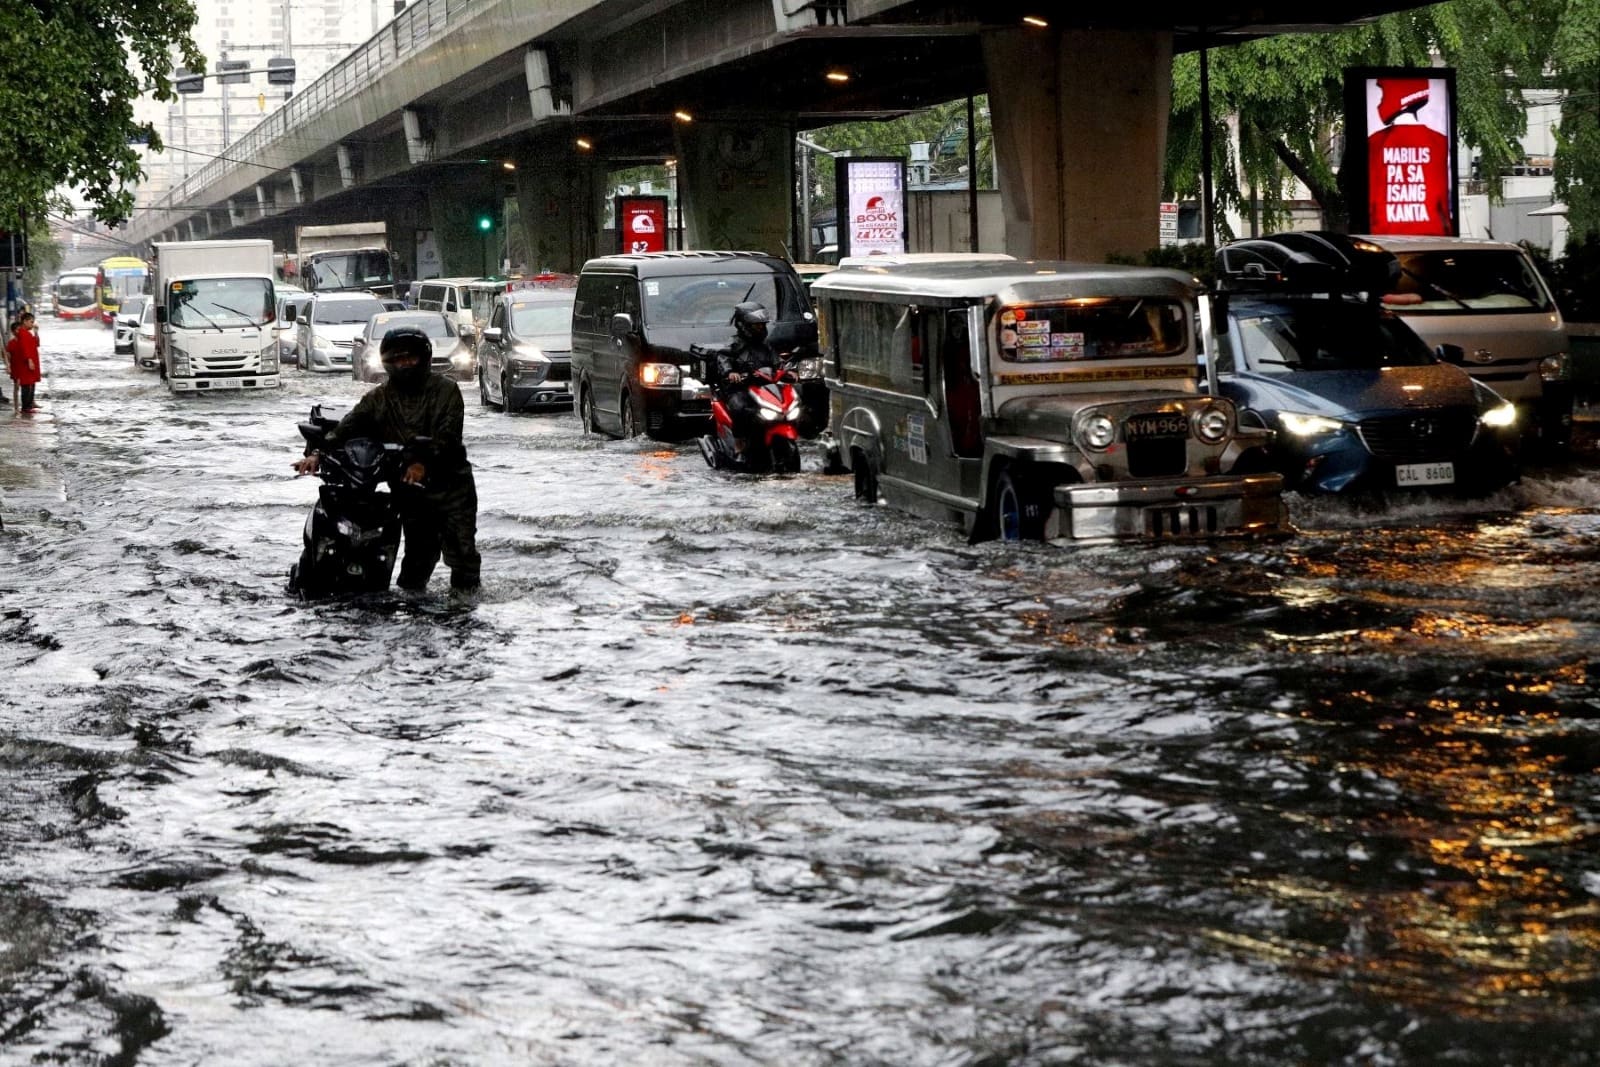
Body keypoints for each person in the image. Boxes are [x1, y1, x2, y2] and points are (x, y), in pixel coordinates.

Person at [291, 325, 481, 592]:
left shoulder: (445, 391)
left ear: (424, 358)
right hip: (408, 490)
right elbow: (347, 427)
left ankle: (465, 608)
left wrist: (420, 463)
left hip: (451, 487)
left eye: (410, 358)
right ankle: (412, 608)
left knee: (461, 555)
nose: (405, 364)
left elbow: (447, 437)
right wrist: (317, 454)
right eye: (398, 359)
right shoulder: (378, 398)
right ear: (388, 362)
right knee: (418, 557)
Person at [714, 301, 782, 451]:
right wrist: (730, 372)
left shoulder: (766, 345)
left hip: (763, 388)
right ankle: (739, 440)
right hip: (739, 388)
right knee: (740, 408)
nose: (761, 328)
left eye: (762, 325)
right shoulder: (734, 344)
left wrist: (787, 370)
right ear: (744, 325)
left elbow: (777, 361)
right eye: (756, 325)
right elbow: (723, 358)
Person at [6, 311, 41, 411]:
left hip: (31, 362)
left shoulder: (27, 333)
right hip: (26, 364)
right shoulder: (22, 333)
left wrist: (36, 332)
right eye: (31, 322)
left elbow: (36, 344)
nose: (32, 324)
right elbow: (25, 348)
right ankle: (26, 407)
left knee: (31, 383)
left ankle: (29, 405)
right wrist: (29, 360)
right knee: (26, 385)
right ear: (25, 321)